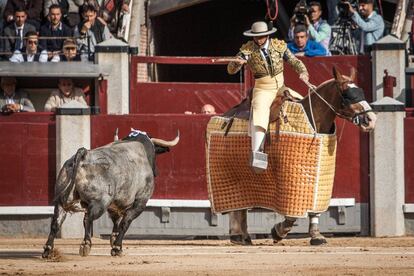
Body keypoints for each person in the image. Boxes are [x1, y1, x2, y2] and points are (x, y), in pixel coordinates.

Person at [227, 21, 309, 171]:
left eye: (261, 36)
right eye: (256, 37)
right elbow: (230, 70)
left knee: (301, 101)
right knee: (260, 111)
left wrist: (303, 72)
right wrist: (238, 63)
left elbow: (293, 61)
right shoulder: (247, 50)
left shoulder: (279, 46)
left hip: (280, 87)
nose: (259, 40)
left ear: (267, 35)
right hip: (262, 89)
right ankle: (257, 152)